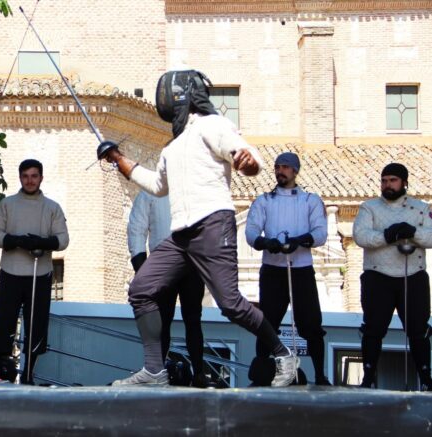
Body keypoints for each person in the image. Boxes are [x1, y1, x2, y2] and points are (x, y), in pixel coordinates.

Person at [99, 66, 298, 387]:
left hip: (212, 225)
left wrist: (249, 162)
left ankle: (283, 354)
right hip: (181, 238)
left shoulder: (212, 125)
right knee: (141, 289)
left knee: (231, 305)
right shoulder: (173, 147)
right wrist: (119, 159)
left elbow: (244, 152)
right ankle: (154, 370)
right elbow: (155, 184)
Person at [245, 152, 330, 386]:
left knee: (311, 324)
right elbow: (251, 231)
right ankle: (263, 370)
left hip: (301, 269)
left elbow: (321, 233)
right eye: (277, 167)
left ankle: (320, 375)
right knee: (267, 322)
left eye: (285, 167)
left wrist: (301, 240)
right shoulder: (264, 201)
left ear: (295, 171)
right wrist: (265, 243)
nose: (280, 171)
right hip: (272, 271)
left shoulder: (310, 201)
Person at [0, 159, 69, 384]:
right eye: (26, 176)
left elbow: (63, 239)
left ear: (41, 178)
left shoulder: (52, 207)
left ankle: (29, 373)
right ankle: (2, 371)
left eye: (34, 176)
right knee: (4, 322)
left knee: (37, 324)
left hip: (39, 274)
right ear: (20, 177)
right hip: (11, 272)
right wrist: (14, 240)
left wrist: (44, 242)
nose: (30, 180)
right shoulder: (7, 204)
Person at [353, 163, 432, 390]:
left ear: (404, 182)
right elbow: (360, 235)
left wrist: (413, 233)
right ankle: (367, 379)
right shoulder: (369, 208)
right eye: (384, 180)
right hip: (378, 276)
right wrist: (387, 235)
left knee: (418, 330)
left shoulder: (421, 208)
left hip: (413, 276)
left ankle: (426, 379)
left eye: (393, 180)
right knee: (373, 329)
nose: (388, 185)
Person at [128, 191, 209, 387]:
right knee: (162, 320)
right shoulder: (148, 194)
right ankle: (157, 370)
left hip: (191, 262)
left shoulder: (194, 191)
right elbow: (137, 230)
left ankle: (198, 372)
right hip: (162, 264)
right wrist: (142, 269)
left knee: (193, 319)